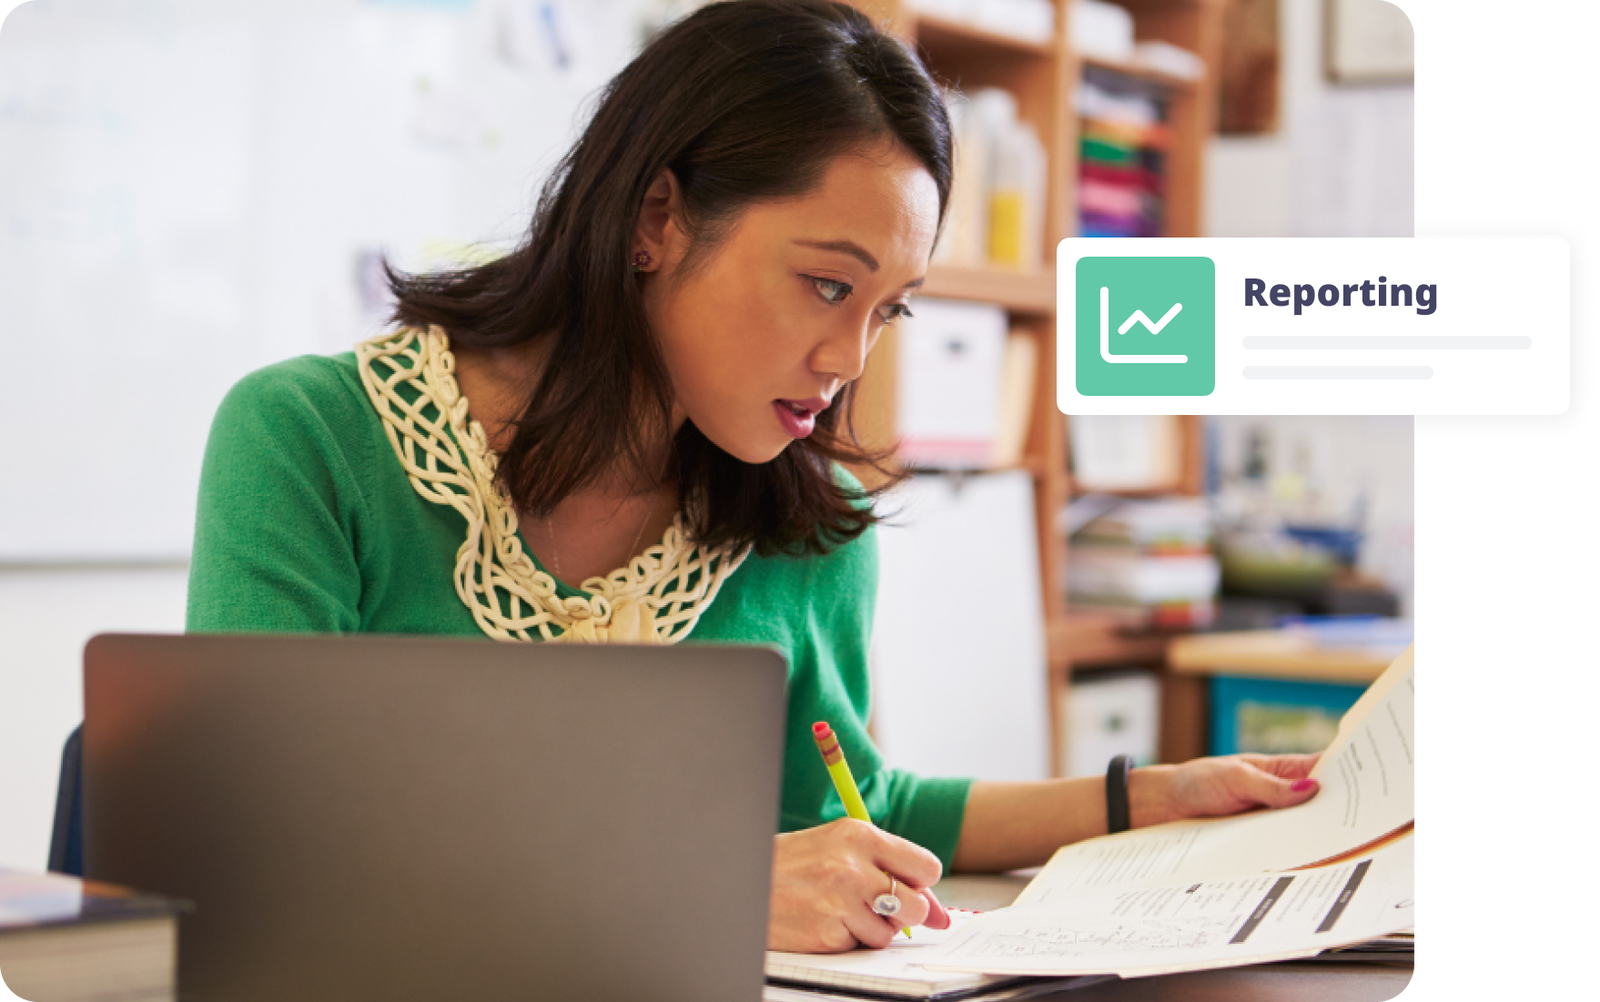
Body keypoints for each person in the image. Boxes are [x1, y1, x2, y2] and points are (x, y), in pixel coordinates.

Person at [187, 0, 1320, 955]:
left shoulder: (801, 521)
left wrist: (1145, 803)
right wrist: (706, 888)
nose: (849, 361)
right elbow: (253, 836)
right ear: (656, 220)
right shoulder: (311, 439)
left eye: (889, 310)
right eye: (828, 285)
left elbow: (855, 804)